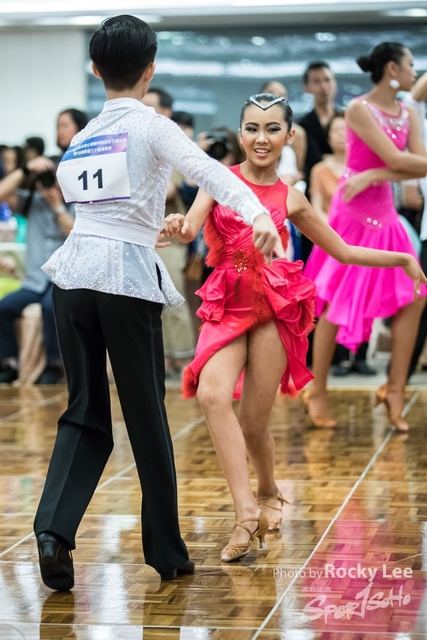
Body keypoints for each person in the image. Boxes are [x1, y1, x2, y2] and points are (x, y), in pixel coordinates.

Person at [33, 15, 282, 591]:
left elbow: (90, 205)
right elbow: (209, 173)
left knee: (83, 409)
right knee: (146, 415)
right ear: (150, 69)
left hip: (72, 279)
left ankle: (53, 532)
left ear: (96, 69)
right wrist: (258, 214)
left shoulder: (82, 136)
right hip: (124, 279)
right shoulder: (150, 125)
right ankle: (167, 553)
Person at [161, 91, 426, 563]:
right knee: (213, 395)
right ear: (241, 133)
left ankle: (268, 491)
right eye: (252, 128)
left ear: (288, 136)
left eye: (272, 129)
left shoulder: (292, 197)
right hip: (226, 303)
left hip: (272, 307)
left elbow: (343, 250)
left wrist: (401, 257)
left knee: (253, 423)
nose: (261, 138)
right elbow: (189, 230)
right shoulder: (217, 178)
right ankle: (245, 514)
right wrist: (177, 222)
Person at [304, 42, 427, 431]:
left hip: (384, 211)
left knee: (415, 296)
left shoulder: (408, 112)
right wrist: (387, 170)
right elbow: (400, 160)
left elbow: (419, 165)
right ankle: (317, 391)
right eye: (410, 64)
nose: (414, 71)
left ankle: (394, 390)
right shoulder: (359, 108)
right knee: (338, 302)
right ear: (392, 68)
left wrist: (375, 175)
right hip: (353, 213)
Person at [310, 114, 376, 377]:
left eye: (344, 130)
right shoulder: (319, 170)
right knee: (334, 298)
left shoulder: (364, 167)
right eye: (335, 130)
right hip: (331, 240)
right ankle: (338, 359)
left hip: (363, 240)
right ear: (328, 136)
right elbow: (316, 207)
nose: (340, 134)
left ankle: (361, 356)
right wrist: (333, 231)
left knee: (364, 294)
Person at [0, 154, 75, 385]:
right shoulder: (31, 201)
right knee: (4, 307)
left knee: (50, 307)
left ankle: (54, 365)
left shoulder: (78, 204)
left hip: (61, 279)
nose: (54, 182)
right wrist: (25, 169)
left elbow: (75, 235)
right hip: (33, 281)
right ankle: (9, 362)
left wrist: (57, 206)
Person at [299, 61, 343, 261]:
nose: (323, 86)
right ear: (307, 88)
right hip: (315, 200)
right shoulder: (302, 127)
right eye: (316, 82)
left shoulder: (347, 120)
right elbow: (308, 163)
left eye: (327, 80)